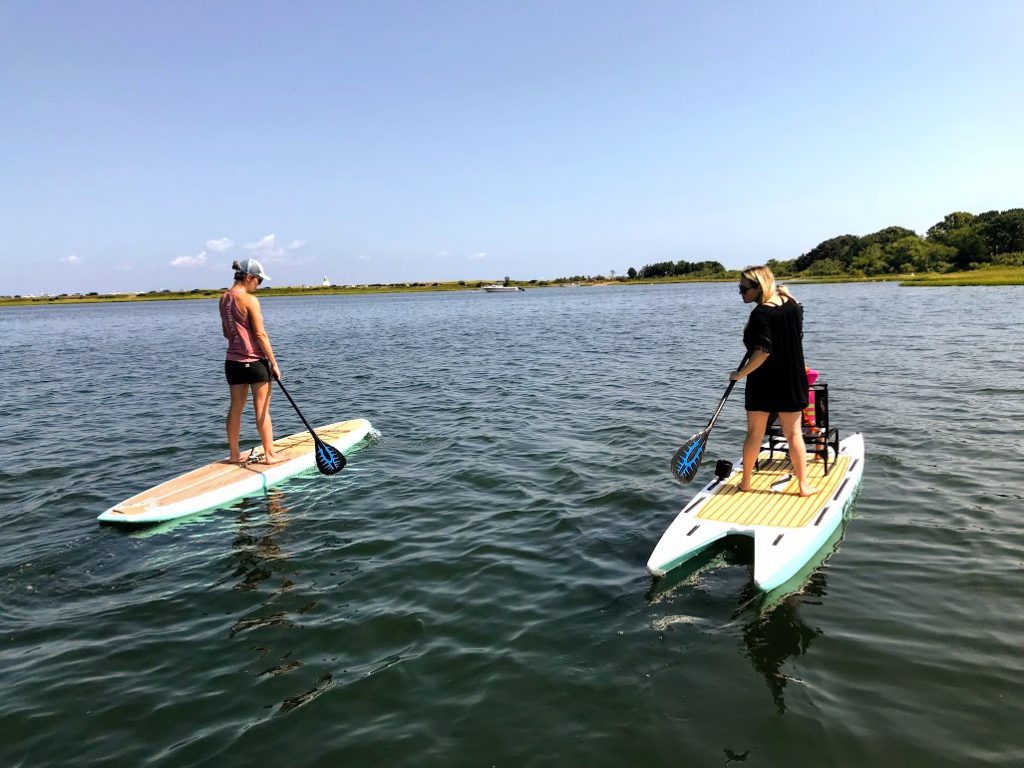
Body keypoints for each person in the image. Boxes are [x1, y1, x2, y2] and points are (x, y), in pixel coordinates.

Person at [729, 266, 818, 496]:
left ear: (759, 287)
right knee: (794, 434)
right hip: (791, 379)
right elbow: (798, 308)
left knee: (754, 434)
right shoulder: (791, 306)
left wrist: (740, 374)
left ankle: (746, 482)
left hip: (764, 382)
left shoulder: (761, 314)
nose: (741, 293)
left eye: (743, 288)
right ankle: (803, 485)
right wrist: (787, 293)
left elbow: (763, 352)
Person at [219, 258, 282, 464]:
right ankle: (270, 455)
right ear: (248, 277)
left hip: (232, 362)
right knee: (262, 408)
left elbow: (227, 333)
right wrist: (273, 363)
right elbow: (261, 335)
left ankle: (234, 454)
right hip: (255, 362)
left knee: (235, 407)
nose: (258, 285)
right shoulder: (249, 300)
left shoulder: (223, 298)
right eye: (258, 280)